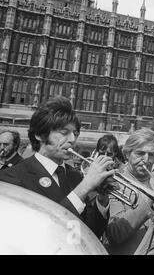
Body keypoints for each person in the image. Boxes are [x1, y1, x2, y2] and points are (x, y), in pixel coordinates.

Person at [0, 96, 116, 238]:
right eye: (64, 132)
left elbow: (90, 234)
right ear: (40, 135)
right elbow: (38, 233)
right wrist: (84, 188)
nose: (72, 140)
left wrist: (102, 199)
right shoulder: (11, 177)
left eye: (75, 133)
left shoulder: (75, 176)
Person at [104, 128, 154, 255]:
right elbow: (116, 233)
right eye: (140, 153)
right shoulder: (115, 182)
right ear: (127, 154)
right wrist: (150, 196)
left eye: (151, 155)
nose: (146, 159)